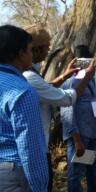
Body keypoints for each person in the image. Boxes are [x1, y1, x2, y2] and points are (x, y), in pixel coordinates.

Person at [23, 25, 95, 191]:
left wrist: (64, 75)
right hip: (36, 151)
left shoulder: (31, 75)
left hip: (40, 146)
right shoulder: (28, 76)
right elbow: (66, 100)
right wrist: (86, 78)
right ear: (34, 49)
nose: (48, 52)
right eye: (47, 48)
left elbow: (46, 87)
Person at [0, 25, 48, 192]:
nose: (32, 54)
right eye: (29, 50)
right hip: (11, 175)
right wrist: (40, 187)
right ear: (20, 53)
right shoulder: (23, 92)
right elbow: (31, 150)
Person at [60, 45, 96, 192]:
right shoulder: (71, 83)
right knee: (76, 173)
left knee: (92, 169)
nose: (93, 65)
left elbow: (94, 106)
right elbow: (67, 113)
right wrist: (77, 140)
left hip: (91, 135)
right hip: (79, 136)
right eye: (89, 61)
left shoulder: (90, 81)